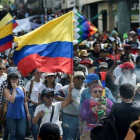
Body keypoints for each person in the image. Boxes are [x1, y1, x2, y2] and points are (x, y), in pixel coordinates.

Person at [55, 71, 85, 140]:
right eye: (78, 78)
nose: (80, 80)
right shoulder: (67, 88)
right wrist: (66, 100)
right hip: (68, 117)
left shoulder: (85, 90)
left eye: (82, 78)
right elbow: (56, 96)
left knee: (79, 137)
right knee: (68, 138)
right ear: (73, 79)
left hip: (80, 118)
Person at [4, 71, 30, 140]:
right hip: (11, 115)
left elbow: (25, 102)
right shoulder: (7, 90)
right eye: (13, 79)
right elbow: (12, 100)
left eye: (16, 79)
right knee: (13, 134)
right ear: (9, 80)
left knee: (22, 133)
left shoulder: (22, 88)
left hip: (22, 114)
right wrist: (14, 89)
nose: (15, 80)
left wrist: (27, 113)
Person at [25, 69, 43, 140]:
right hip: (32, 106)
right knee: (35, 126)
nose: (39, 74)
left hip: (41, 106)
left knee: (42, 125)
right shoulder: (30, 83)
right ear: (34, 74)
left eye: (40, 73)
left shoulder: (43, 82)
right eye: (37, 73)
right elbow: (25, 95)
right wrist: (31, 101)